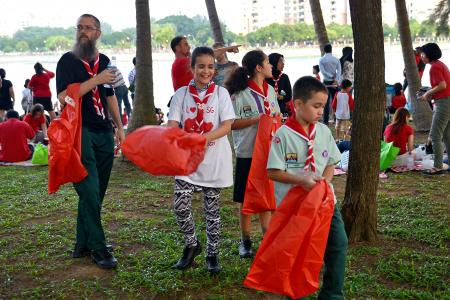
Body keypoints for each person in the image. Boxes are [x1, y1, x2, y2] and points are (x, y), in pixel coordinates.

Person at [266, 76, 347, 299]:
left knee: (338, 245)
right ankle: (294, 294)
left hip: (325, 202)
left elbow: (330, 163)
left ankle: (332, 295)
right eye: (317, 106)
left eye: (323, 106)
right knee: (296, 254)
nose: (321, 111)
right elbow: (272, 171)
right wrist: (301, 180)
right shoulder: (283, 135)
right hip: (294, 208)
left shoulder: (323, 131)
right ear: (298, 104)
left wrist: (325, 182)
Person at [56, 14, 125, 269]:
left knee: (97, 192)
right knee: (89, 189)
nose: (83, 31)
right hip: (79, 131)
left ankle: (81, 244)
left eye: (88, 28)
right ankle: (98, 248)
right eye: (79, 27)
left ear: (98, 33)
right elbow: (64, 97)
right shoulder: (67, 61)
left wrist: (119, 127)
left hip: (103, 130)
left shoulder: (104, 61)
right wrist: (94, 80)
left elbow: (110, 96)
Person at [167, 46, 235, 274]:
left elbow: (227, 125)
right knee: (180, 206)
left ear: (214, 68)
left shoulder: (221, 94)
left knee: (212, 211)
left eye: (210, 66)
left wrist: (203, 138)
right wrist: (178, 136)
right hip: (188, 161)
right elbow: (173, 124)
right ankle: (192, 245)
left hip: (214, 159)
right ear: (192, 67)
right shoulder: (180, 95)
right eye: (201, 66)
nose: (206, 71)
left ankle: (212, 255)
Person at [225, 50, 281, 258]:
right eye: (268, 63)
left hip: (269, 153)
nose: (271, 66)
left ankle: (268, 239)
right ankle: (245, 240)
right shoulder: (240, 93)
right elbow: (231, 124)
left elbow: (275, 116)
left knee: (265, 196)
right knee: (245, 199)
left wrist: (274, 119)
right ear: (258, 67)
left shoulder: (271, 91)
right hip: (247, 153)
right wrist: (256, 119)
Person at [420, 43, 450, 176]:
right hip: (447, 101)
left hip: (444, 103)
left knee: (435, 135)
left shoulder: (434, 68)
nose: (421, 56)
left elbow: (442, 85)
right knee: (446, 135)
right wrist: (430, 91)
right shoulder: (440, 64)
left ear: (429, 54)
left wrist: (427, 94)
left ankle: (438, 167)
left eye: (423, 53)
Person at [319, 44, 341, 125]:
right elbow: (339, 71)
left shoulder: (322, 60)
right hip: (335, 82)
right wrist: (336, 79)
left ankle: (325, 121)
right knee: (336, 102)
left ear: (324, 50)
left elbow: (323, 71)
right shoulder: (336, 59)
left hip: (326, 82)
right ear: (331, 50)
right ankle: (336, 120)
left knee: (326, 102)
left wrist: (330, 76)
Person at [266, 53, 292, 118]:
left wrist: (281, 97)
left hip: (282, 111)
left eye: (283, 61)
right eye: (280, 61)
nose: (283, 63)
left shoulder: (284, 77)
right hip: (268, 111)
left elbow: (289, 96)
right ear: (273, 62)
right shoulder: (266, 77)